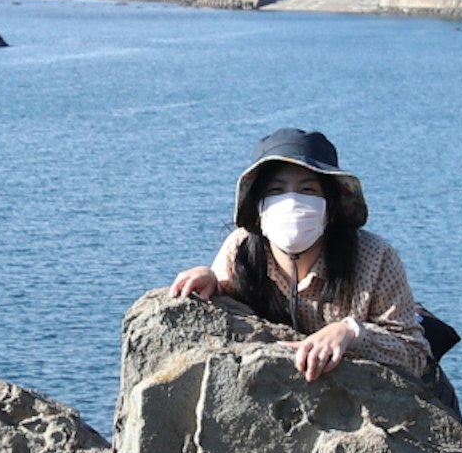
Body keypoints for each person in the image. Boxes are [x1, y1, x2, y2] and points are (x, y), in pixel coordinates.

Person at [168, 127, 436, 383]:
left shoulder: (375, 257)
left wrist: (351, 333)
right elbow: (222, 298)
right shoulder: (241, 250)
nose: (291, 202)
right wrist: (209, 280)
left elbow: (415, 355)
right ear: (258, 208)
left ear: (330, 208)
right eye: (276, 191)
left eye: (307, 190)